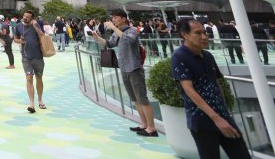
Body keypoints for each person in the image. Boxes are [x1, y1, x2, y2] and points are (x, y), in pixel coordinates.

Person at [172, 18, 251, 159]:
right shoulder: (179, 56)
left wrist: (224, 112)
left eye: (204, 32)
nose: (204, 36)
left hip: (222, 116)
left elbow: (216, 83)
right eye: (198, 33)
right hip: (202, 121)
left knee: (241, 154)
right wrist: (216, 118)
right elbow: (189, 90)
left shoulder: (208, 55)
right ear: (184, 34)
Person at [91, 9, 157, 137]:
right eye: (113, 18)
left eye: (115, 18)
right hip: (124, 68)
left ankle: (152, 128)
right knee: (134, 99)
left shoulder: (131, 30)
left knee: (142, 99)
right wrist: (97, 38)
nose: (113, 20)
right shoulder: (117, 33)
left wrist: (113, 28)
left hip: (134, 68)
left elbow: (128, 39)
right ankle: (144, 124)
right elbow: (109, 44)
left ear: (123, 18)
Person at [14, 9, 46, 113]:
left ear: (32, 18)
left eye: (27, 17)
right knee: (29, 78)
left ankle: (40, 100)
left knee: (39, 77)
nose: (25, 18)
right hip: (25, 57)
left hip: (38, 56)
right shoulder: (18, 26)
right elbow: (15, 39)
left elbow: (42, 36)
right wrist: (20, 41)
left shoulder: (36, 24)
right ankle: (31, 104)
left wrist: (36, 26)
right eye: (24, 16)